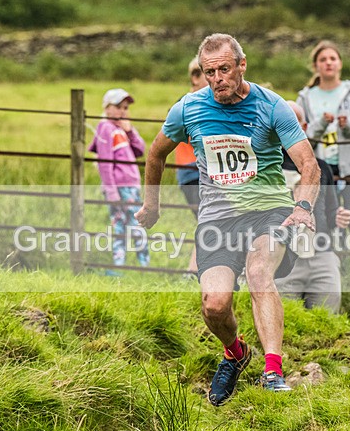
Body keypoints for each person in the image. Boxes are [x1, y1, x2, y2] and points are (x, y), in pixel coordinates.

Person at [136, 34, 321, 405]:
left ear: (242, 65)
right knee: (215, 305)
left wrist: (302, 207)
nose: (217, 78)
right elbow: (155, 155)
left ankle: (273, 370)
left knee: (258, 273)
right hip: (217, 221)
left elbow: (308, 165)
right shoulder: (187, 109)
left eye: (224, 69)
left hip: (269, 211)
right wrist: (151, 206)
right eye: (209, 72)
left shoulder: (273, 106)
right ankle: (236, 353)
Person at [296, 40, 350, 234]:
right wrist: (320, 124)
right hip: (319, 168)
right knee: (324, 218)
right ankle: (332, 260)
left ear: (340, 63)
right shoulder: (305, 97)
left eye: (333, 58)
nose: (328, 63)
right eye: (323, 59)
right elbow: (298, 135)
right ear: (315, 65)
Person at [275, 100, 350, 313]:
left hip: (321, 255)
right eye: (280, 122)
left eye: (292, 122)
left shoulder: (322, 167)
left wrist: (339, 216)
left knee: (327, 321)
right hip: (281, 258)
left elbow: (331, 211)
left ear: (304, 127)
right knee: (284, 322)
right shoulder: (265, 167)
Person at [88, 88, 149, 271]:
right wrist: (112, 191)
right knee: (121, 226)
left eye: (125, 107)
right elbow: (104, 164)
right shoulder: (105, 128)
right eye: (118, 107)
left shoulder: (122, 129)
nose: (123, 111)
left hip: (131, 186)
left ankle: (143, 265)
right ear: (107, 108)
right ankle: (119, 265)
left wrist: (130, 132)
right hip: (119, 187)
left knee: (135, 225)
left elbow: (140, 150)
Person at [174, 56, 207, 273]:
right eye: (209, 73)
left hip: (196, 172)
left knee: (208, 221)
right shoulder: (189, 103)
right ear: (195, 77)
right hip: (193, 171)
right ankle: (193, 271)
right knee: (208, 221)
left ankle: (196, 271)